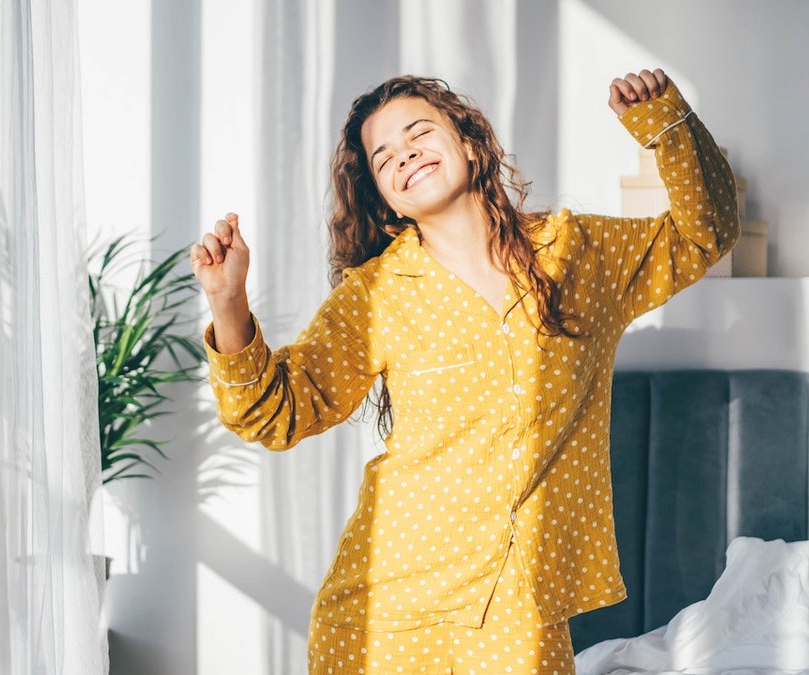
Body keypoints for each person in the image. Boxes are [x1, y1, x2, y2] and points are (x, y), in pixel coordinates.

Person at [191, 68, 739, 674]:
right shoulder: (375, 295)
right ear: (382, 195)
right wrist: (229, 303)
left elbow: (705, 234)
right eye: (384, 158)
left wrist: (666, 120)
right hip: (382, 614)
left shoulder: (577, 252)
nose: (405, 156)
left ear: (469, 139)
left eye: (418, 133)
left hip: (519, 614)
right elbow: (275, 414)